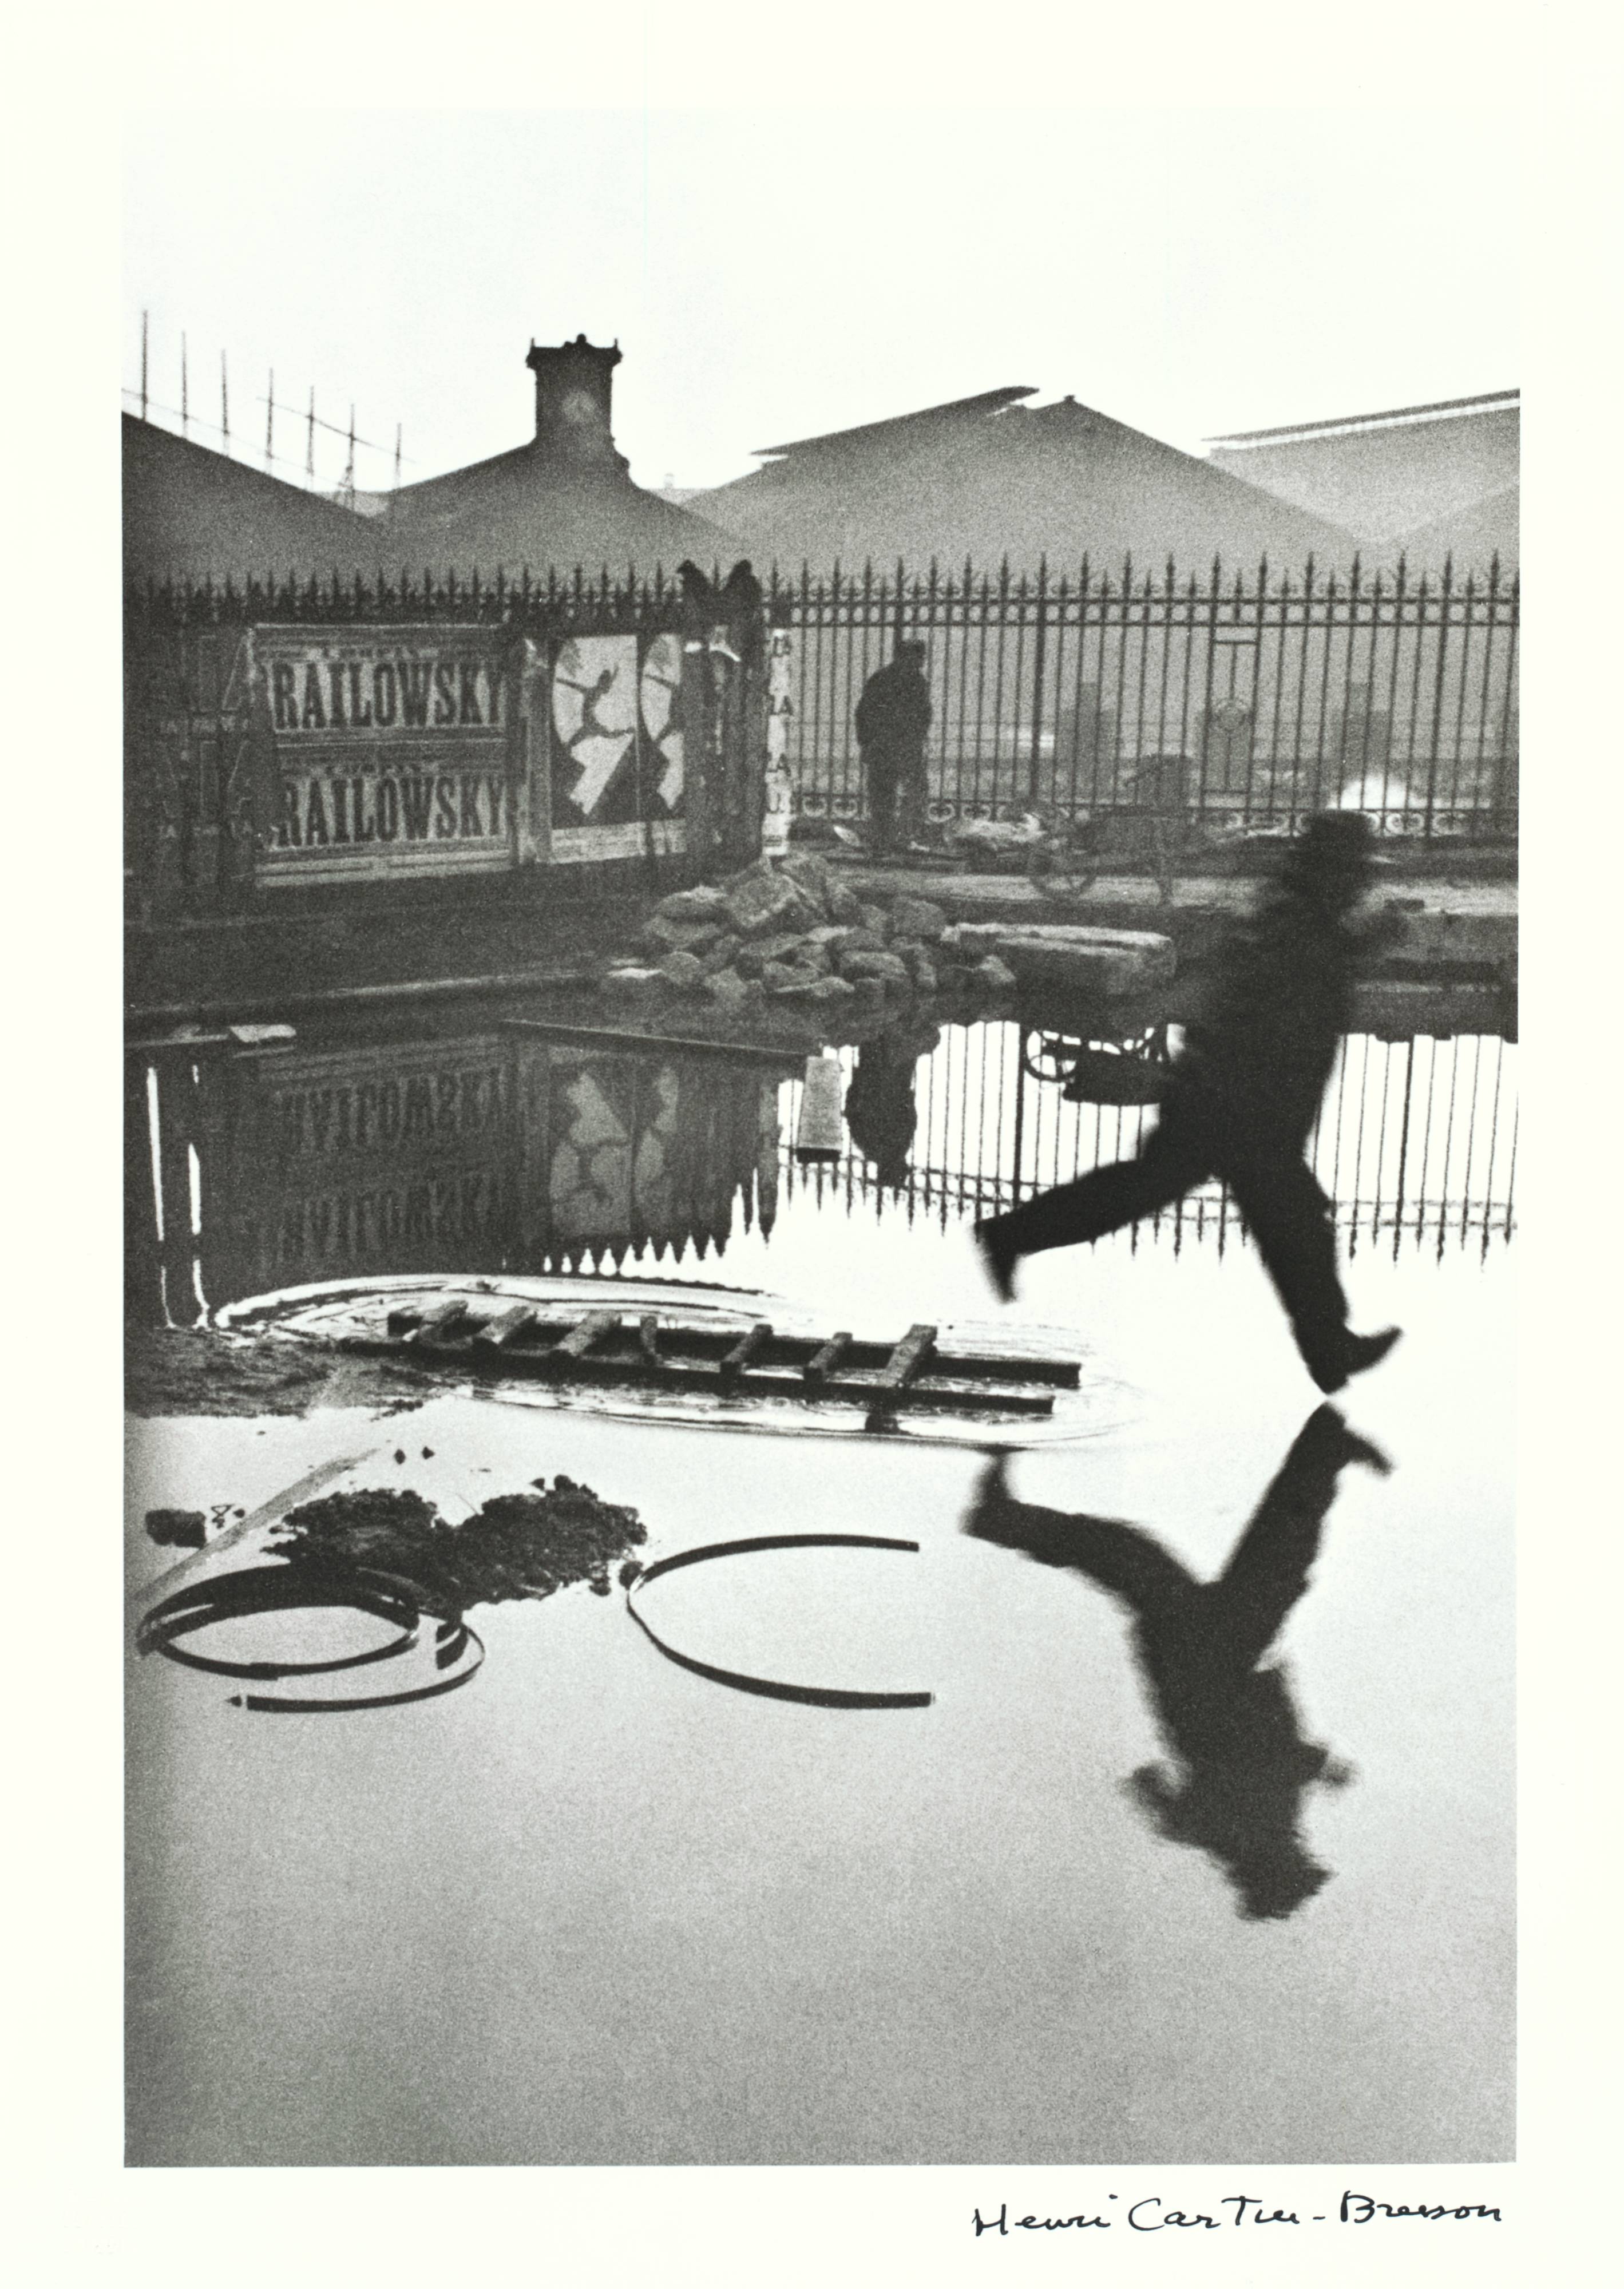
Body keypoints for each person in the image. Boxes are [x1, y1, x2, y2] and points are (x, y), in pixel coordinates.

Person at [973, 810, 1401, 1396]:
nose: (1360, 884)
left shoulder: (1296, 914)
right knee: (1294, 1226)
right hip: (1239, 1108)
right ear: (1335, 871)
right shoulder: (1297, 924)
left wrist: (1357, 944)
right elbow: (1278, 997)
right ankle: (1329, 1350)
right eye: (1355, 872)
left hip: (1228, 1101)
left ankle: (1013, 1235)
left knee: (1158, 1195)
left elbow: (1286, 971)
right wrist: (1359, 945)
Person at [965, 1405, 1390, 1920]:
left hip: (1210, 1666)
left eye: (1300, 1861)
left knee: (1251, 1559)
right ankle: (1325, 1449)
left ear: (1278, 1862)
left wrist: (1320, 1768)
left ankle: (1325, 1448)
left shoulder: (1248, 1828)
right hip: (1211, 1664)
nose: (1305, 1849)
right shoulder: (1238, 1830)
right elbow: (1179, 1793)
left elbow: (1259, 1768)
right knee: (1185, 1557)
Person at [854, 640, 932, 852]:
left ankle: (887, 839)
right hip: (898, 747)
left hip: (887, 747)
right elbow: (923, 715)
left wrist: (866, 743)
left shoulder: (881, 679)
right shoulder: (914, 682)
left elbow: (863, 713)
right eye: (919, 658)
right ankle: (899, 838)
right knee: (907, 793)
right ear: (908, 657)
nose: (922, 662)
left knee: (886, 795)